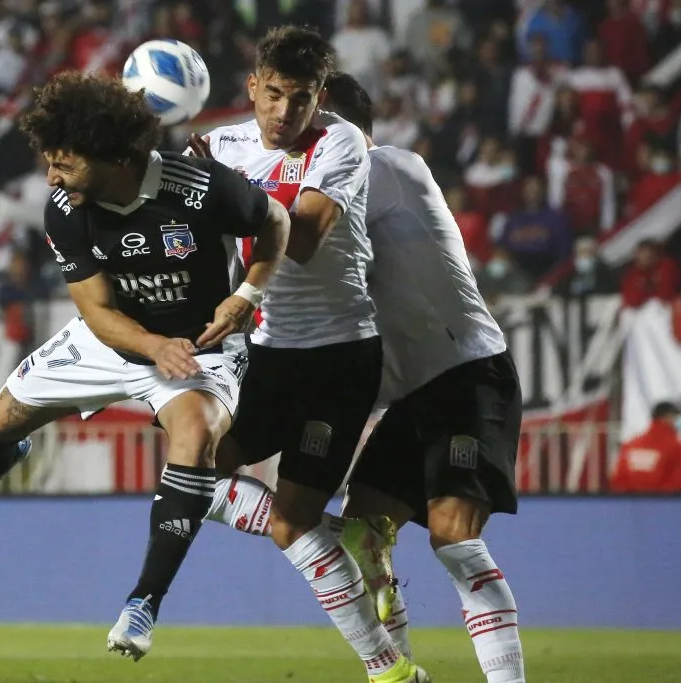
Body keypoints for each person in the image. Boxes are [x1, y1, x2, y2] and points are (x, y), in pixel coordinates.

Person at [0, 71, 291, 657]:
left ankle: (142, 604)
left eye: (64, 165)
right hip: (112, 340)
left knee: (196, 432)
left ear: (113, 158)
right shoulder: (65, 209)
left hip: (201, 346)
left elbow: (275, 221)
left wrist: (247, 295)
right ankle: (1, 456)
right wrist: (153, 347)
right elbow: (98, 312)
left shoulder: (200, 187)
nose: (51, 178)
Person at [196, 73, 528, 683]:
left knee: (453, 538)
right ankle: (399, 669)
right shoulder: (318, 185)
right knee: (360, 535)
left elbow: (295, 232)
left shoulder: (390, 168)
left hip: (467, 375)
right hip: (405, 394)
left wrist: (220, 178)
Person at [175, 26, 421, 683]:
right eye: (275, 94)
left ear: (320, 98)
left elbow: (304, 238)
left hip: (337, 360)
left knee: (290, 524)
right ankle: (347, 537)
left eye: (303, 98)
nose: (286, 111)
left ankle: (388, 668)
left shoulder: (340, 142)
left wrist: (221, 188)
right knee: (189, 470)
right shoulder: (221, 145)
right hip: (268, 354)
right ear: (253, 86)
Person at [610, 401, 681, 493]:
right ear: (666, 417)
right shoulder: (680, 447)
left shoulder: (631, 445)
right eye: (676, 417)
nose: (679, 421)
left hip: (629, 500)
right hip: (664, 500)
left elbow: (618, 480)